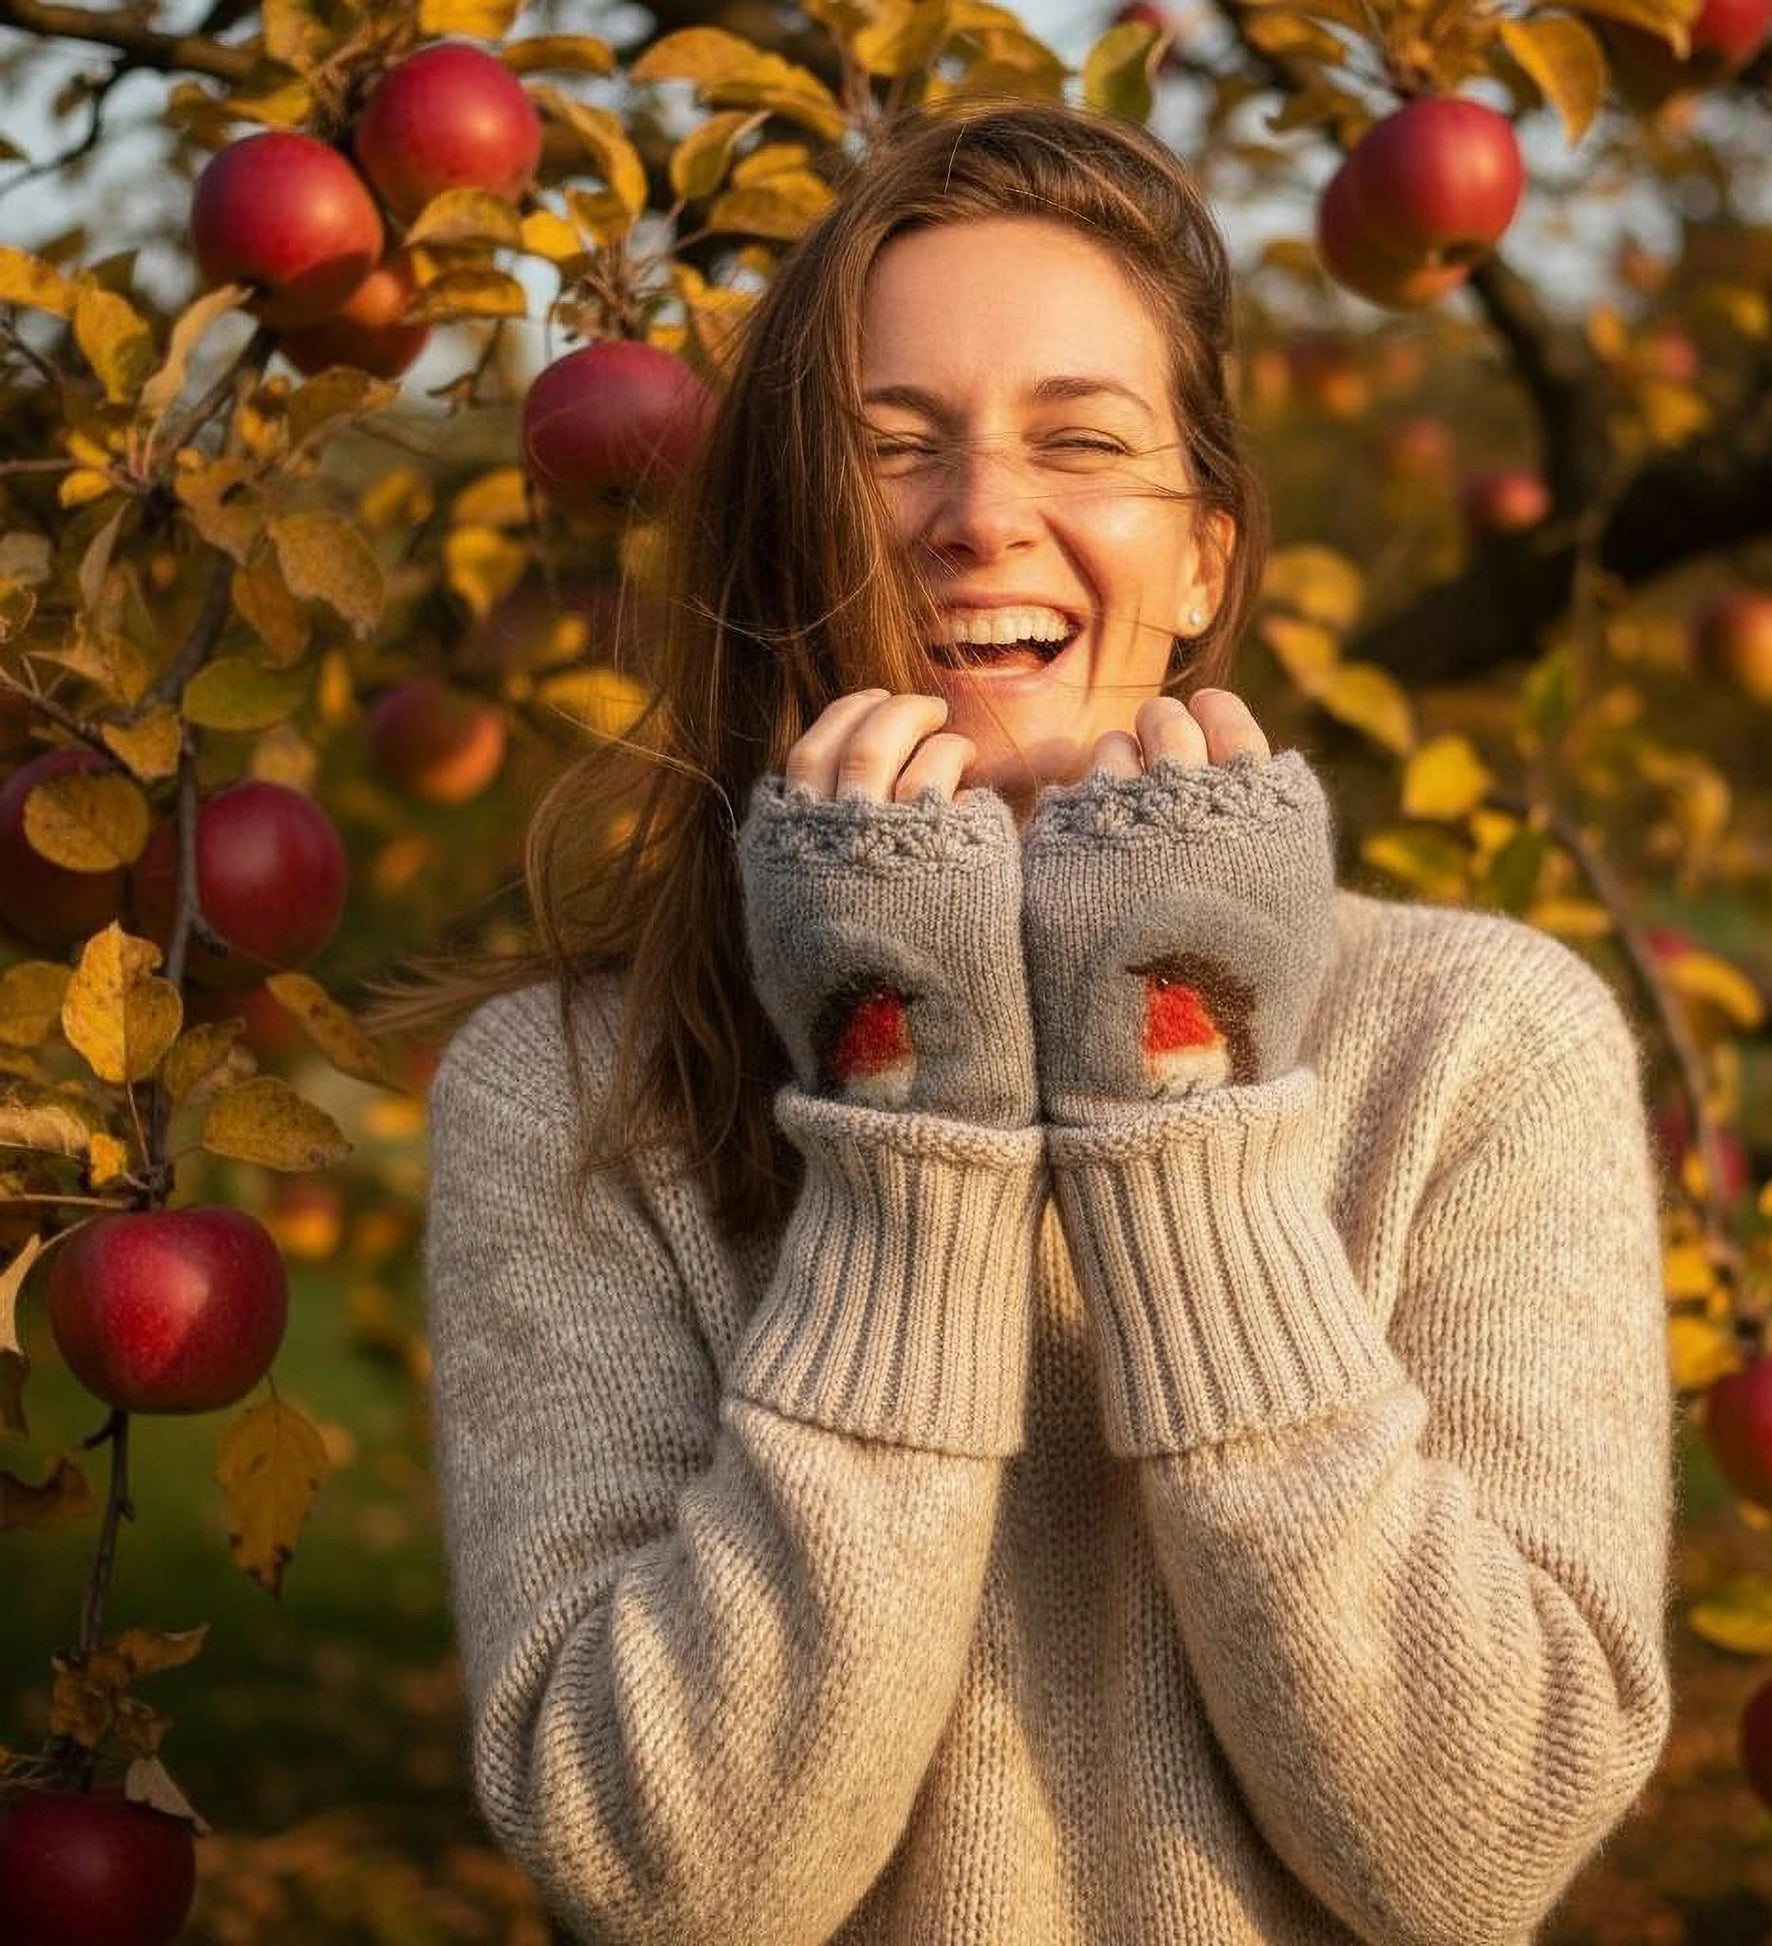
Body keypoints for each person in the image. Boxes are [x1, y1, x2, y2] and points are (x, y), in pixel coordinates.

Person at [395, 91, 1675, 1946]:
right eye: (889, 445)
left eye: (1080, 440)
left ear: (1209, 558)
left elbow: (1468, 1850)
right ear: (788, 541)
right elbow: (677, 1880)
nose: (980, 515)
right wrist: (906, 1125)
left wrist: (1175, 1108)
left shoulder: (1477, 1041)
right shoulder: (576, 1089)